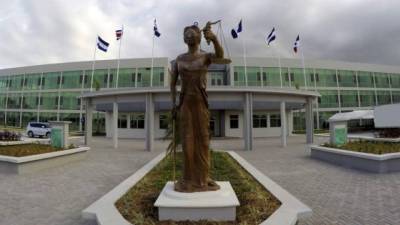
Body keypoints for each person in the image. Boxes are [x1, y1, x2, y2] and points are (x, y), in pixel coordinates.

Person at [170, 22, 227, 192]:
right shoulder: (179, 59)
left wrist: (215, 38)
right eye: (185, 34)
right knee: (187, 140)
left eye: (191, 33)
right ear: (183, 39)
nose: (188, 36)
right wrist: (173, 104)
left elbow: (220, 55)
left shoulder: (205, 57)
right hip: (185, 103)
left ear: (199, 37)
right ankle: (188, 179)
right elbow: (172, 84)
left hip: (201, 103)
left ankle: (203, 178)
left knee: (203, 139)